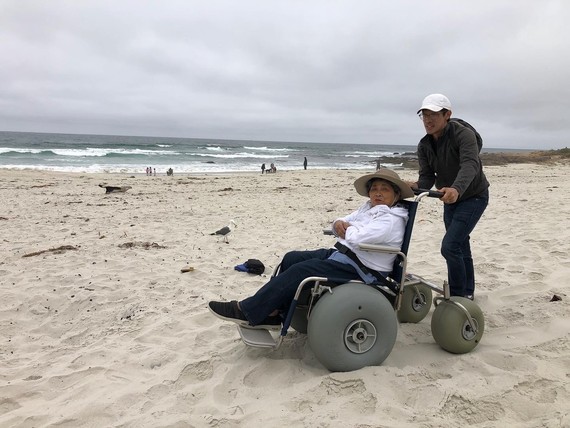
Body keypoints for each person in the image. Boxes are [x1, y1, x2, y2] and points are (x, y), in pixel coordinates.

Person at [208, 168, 414, 328]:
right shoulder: (369, 208)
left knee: (300, 271)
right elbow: (341, 221)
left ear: (396, 194)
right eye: (374, 188)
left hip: (363, 268)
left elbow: (359, 237)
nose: (377, 193)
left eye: (384, 189)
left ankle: (247, 310)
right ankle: (272, 314)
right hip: (344, 255)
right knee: (291, 258)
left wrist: (347, 229)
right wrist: (339, 225)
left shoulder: (391, 219)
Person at [408, 93, 489, 300]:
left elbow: (470, 164)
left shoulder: (463, 135)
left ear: (447, 115)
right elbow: (427, 177)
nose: (428, 120)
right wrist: (414, 186)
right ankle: (468, 292)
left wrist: (456, 189)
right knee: (461, 244)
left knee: (450, 246)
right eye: (424, 115)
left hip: (474, 196)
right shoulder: (424, 145)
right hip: (449, 199)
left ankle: (457, 296)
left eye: (433, 114)